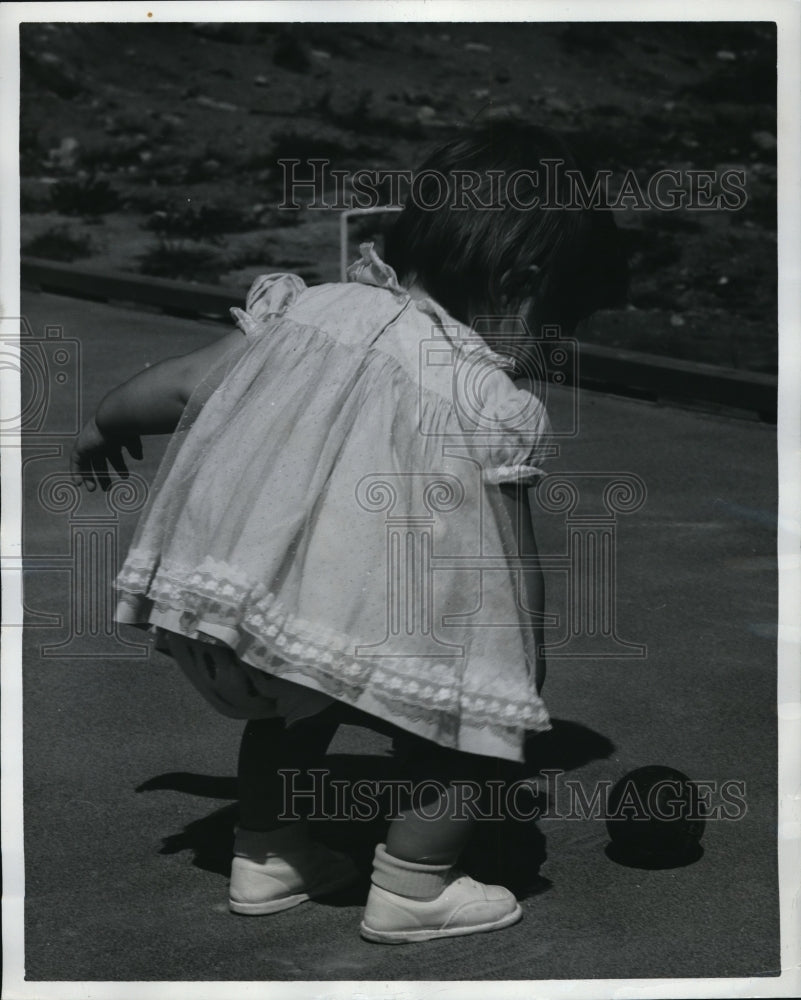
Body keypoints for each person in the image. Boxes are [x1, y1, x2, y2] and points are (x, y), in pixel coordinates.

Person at [70, 122, 627, 944]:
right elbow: (512, 561)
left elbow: (186, 385)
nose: (546, 352)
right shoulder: (490, 400)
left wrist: (103, 421)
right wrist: (518, 670)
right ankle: (413, 889)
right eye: (553, 325)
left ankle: (267, 856)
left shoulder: (314, 308)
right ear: (521, 280)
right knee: (453, 740)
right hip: (362, 634)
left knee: (293, 711)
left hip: (233, 623)